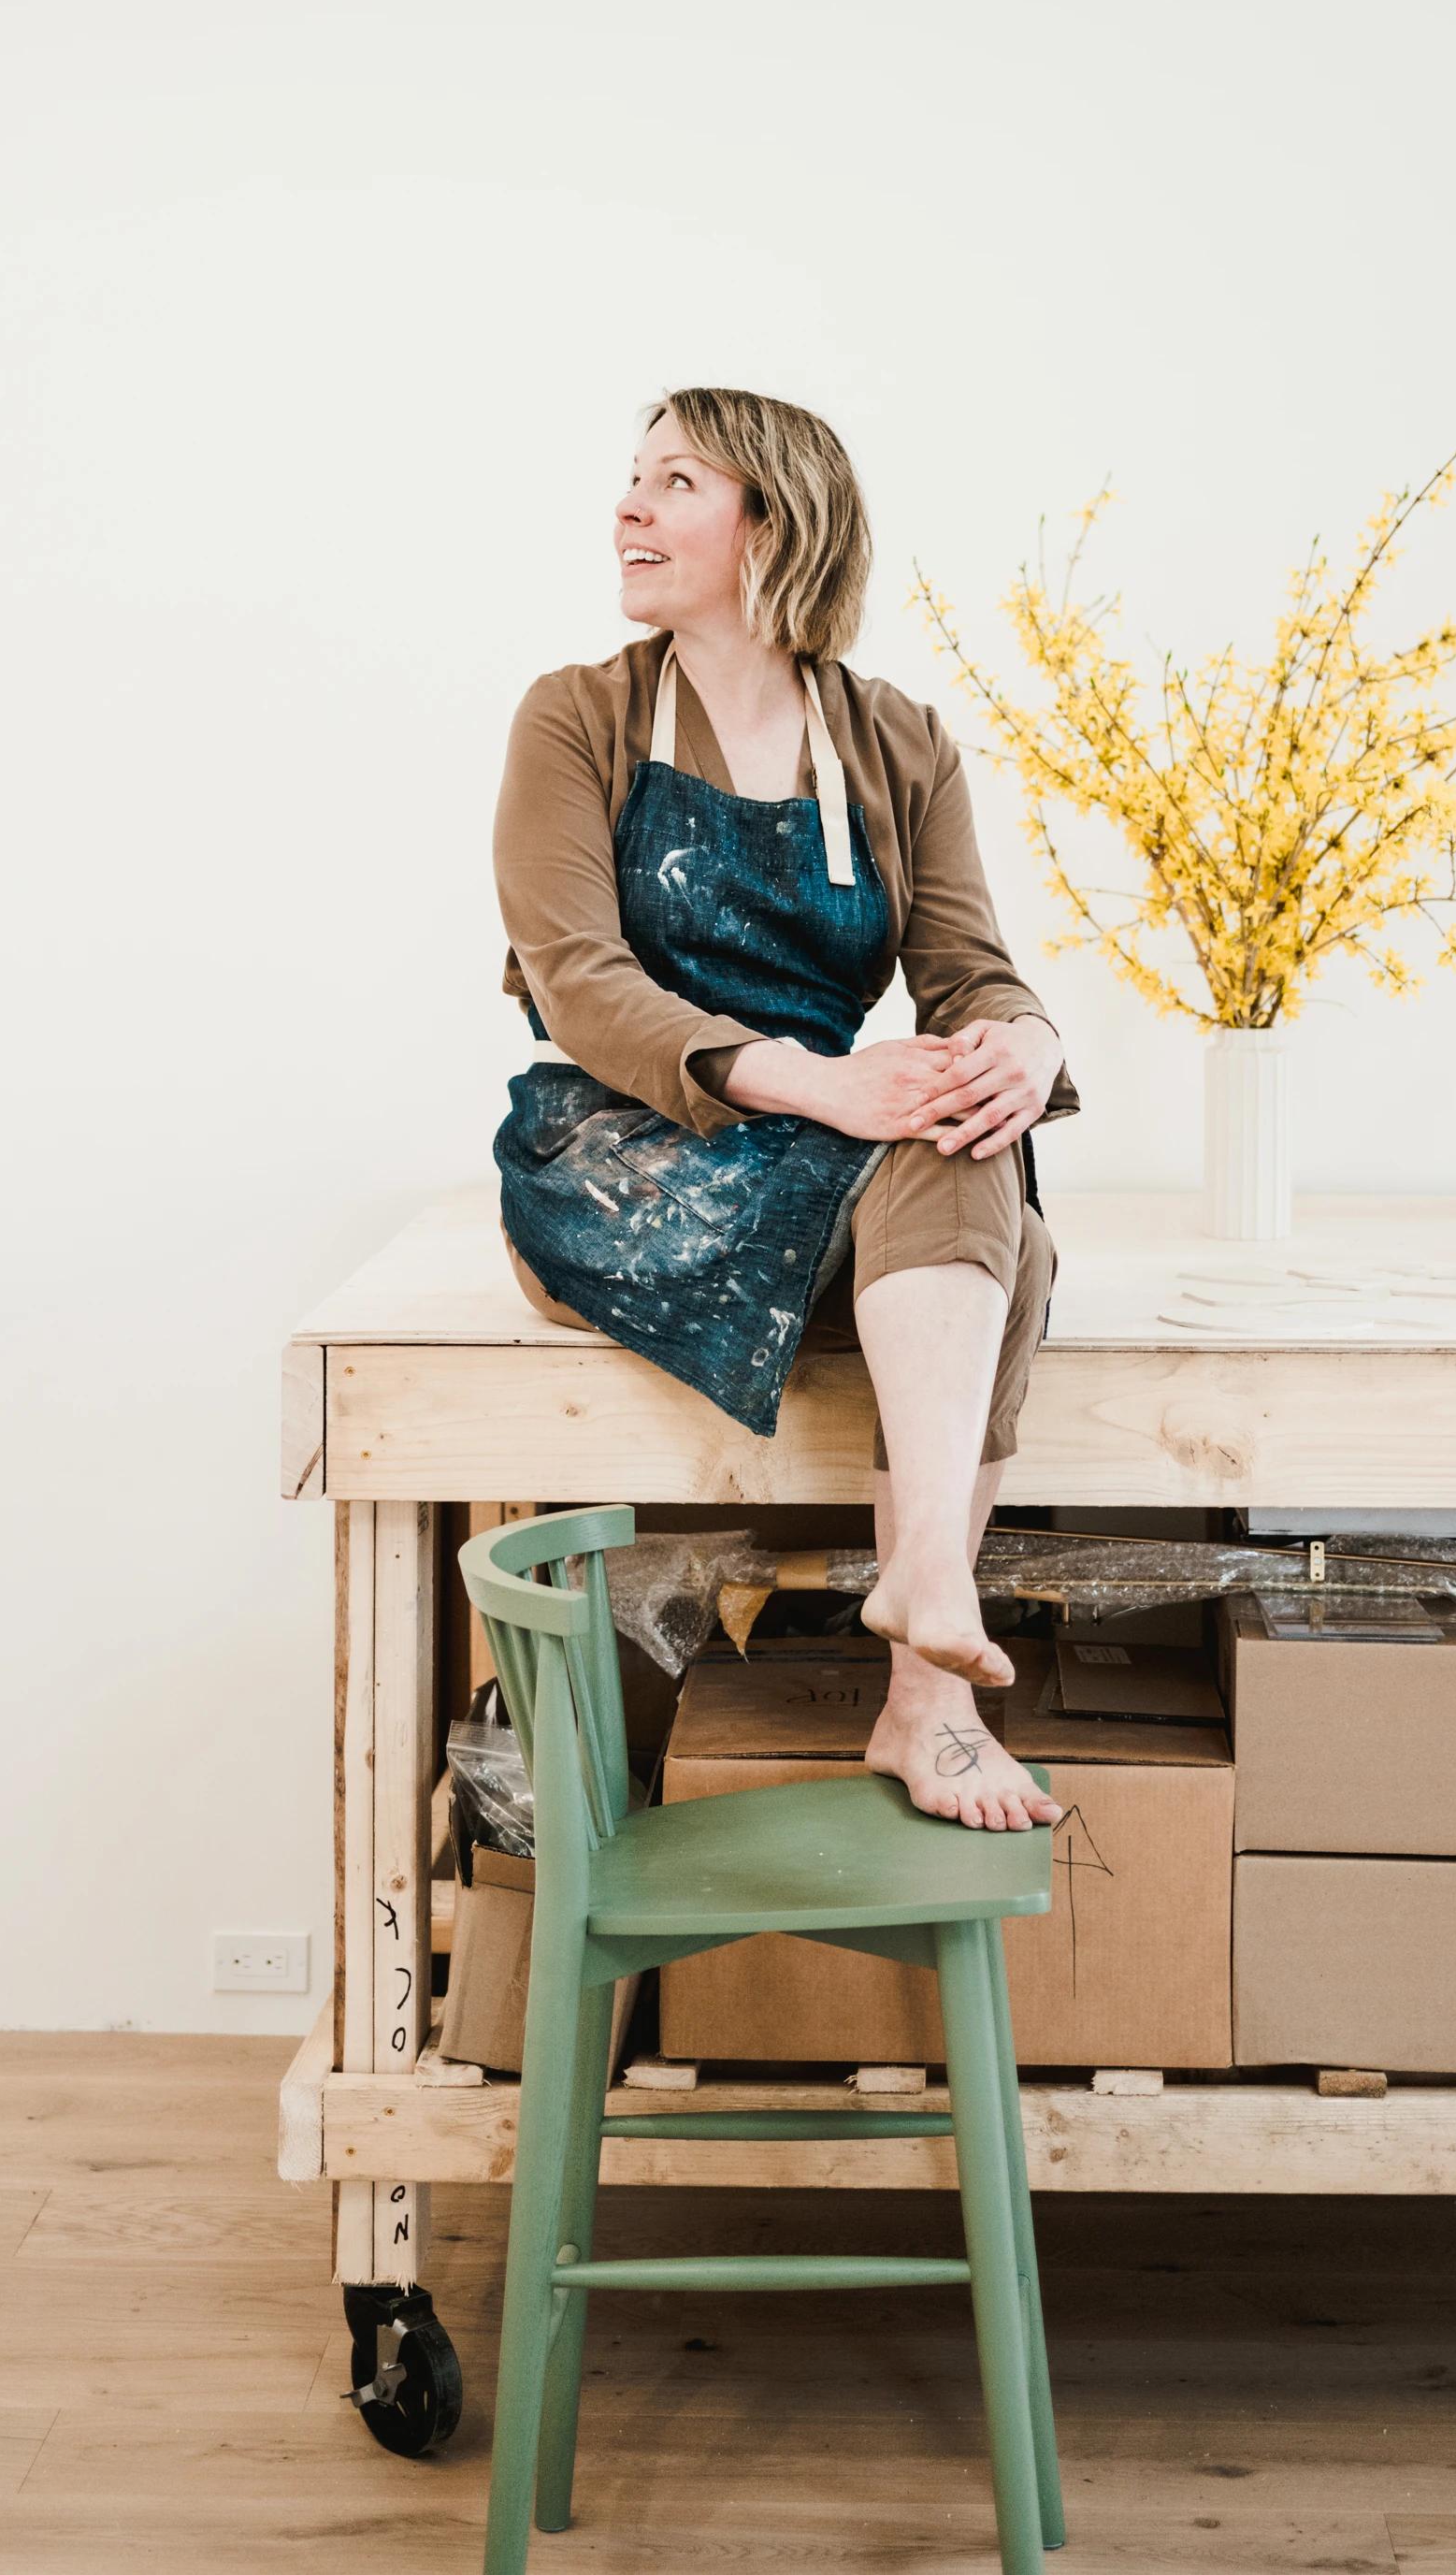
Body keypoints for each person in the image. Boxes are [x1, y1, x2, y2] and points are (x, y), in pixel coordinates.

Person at [492, 384, 1078, 1832]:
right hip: (629, 1152)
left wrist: (1023, 1043)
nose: (627, 506)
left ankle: (921, 1621)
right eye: (631, 478)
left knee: (967, 1125)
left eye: (673, 480)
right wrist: (827, 1079)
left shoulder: (902, 743)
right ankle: (935, 1686)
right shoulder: (576, 717)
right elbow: (581, 984)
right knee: (987, 1211)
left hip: (818, 1152)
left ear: (776, 519)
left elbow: (972, 973)